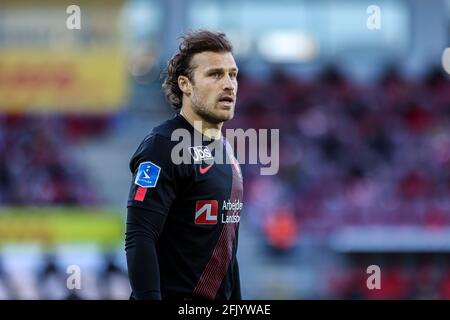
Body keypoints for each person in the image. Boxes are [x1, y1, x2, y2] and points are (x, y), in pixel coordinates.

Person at [125, 30, 243, 300]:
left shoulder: (227, 152)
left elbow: (228, 255)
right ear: (185, 84)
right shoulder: (162, 146)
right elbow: (140, 236)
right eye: (215, 74)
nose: (229, 84)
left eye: (232, 74)